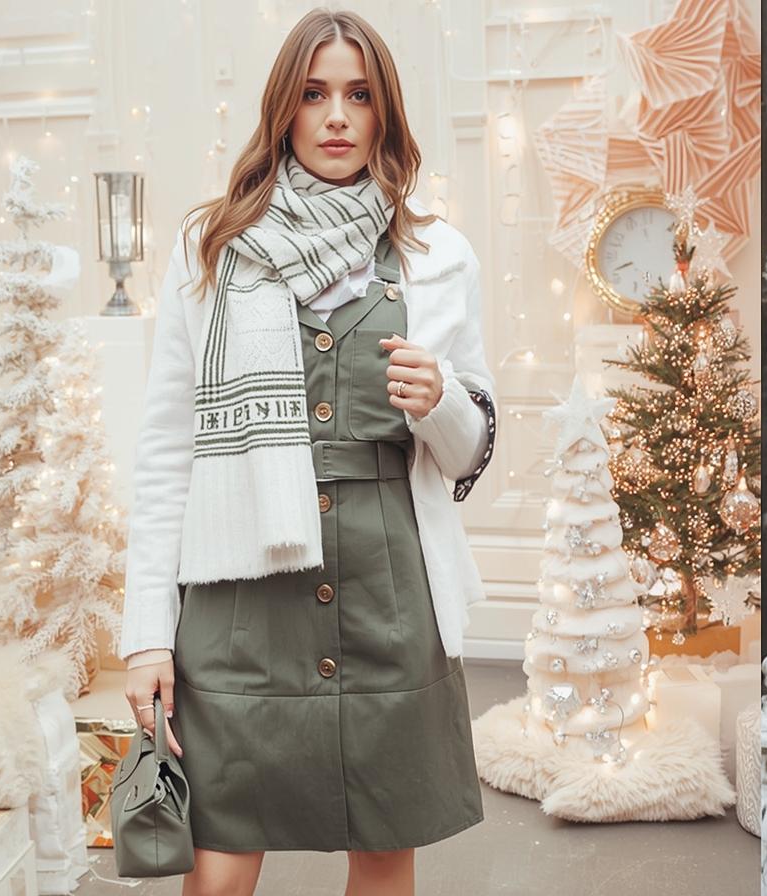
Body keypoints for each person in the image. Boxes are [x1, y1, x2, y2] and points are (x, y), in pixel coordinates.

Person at [119, 9, 497, 895]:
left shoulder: (437, 254)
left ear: (384, 112)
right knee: (218, 866)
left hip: (387, 593)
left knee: (383, 851)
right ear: (283, 110)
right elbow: (166, 448)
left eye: (358, 96)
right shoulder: (210, 250)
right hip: (240, 593)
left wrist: (440, 403)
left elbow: (474, 442)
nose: (336, 116)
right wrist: (146, 636)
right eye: (315, 93)